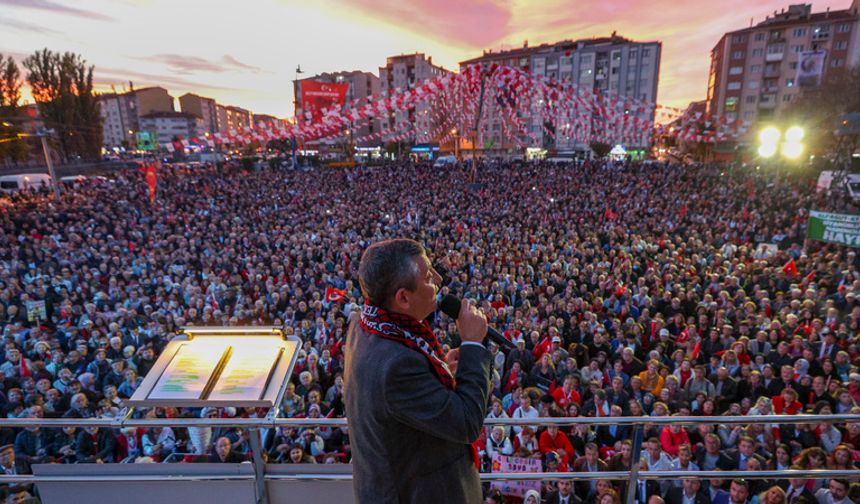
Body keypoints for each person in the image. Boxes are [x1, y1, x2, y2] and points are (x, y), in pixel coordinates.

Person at [344, 239, 492, 503]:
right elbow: (467, 422)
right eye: (427, 276)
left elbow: (398, 406)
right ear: (403, 297)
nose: (437, 278)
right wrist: (472, 345)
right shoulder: (397, 367)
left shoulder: (364, 323)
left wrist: (438, 372)